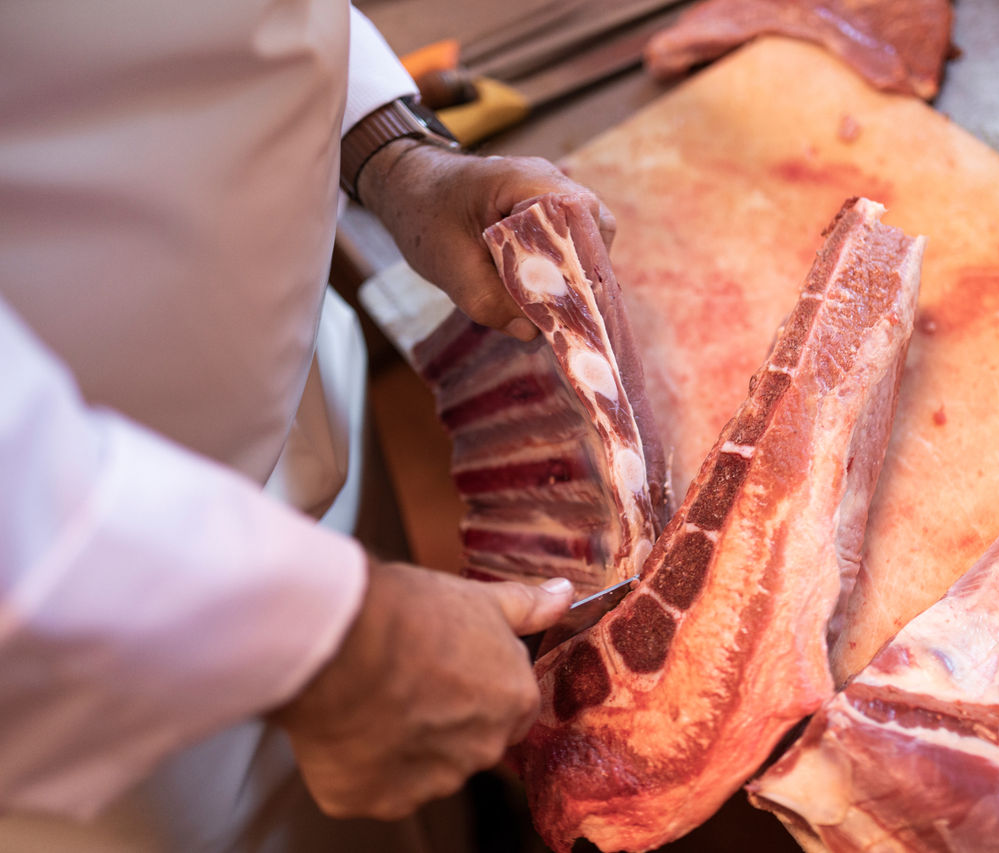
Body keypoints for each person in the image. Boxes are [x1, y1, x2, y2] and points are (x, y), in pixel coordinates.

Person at [0, 2, 616, 849]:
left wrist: (386, 147)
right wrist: (321, 642)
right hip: (85, 647)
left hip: (294, 412)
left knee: (418, 808)